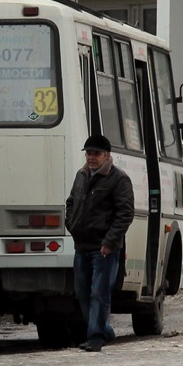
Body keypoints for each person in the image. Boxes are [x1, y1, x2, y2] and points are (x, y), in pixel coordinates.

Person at [66, 134, 134, 353]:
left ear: (107, 155)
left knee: (99, 293)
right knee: (82, 292)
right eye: (88, 153)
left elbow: (125, 213)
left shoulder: (118, 179)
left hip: (104, 248)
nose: (91, 157)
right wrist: (72, 225)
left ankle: (95, 338)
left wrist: (110, 242)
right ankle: (103, 329)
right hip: (82, 245)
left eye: (96, 153)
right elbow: (71, 202)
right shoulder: (81, 175)